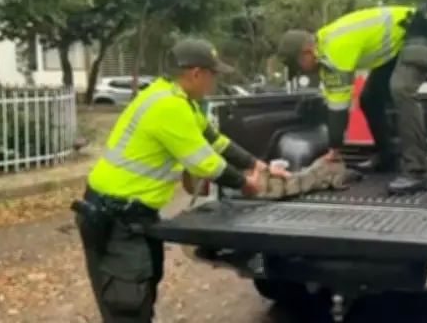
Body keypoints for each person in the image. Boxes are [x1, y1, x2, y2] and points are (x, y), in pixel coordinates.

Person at [72, 38, 291, 323]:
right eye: (213, 74)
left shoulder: (178, 100)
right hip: (114, 219)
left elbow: (216, 141)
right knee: (126, 304)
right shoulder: (168, 107)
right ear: (195, 73)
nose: (214, 81)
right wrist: (247, 184)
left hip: (134, 215)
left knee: (143, 287)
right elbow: (207, 163)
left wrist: (258, 166)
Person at [273, 1, 427, 195]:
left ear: (307, 52)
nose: (301, 72)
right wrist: (334, 148)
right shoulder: (324, 51)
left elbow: (338, 109)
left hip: (423, 30)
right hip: (399, 43)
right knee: (369, 98)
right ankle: (388, 157)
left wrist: (333, 151)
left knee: (402, 89)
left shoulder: (336, 48)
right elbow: (334, 103)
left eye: (299, 66)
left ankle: (417, 172)